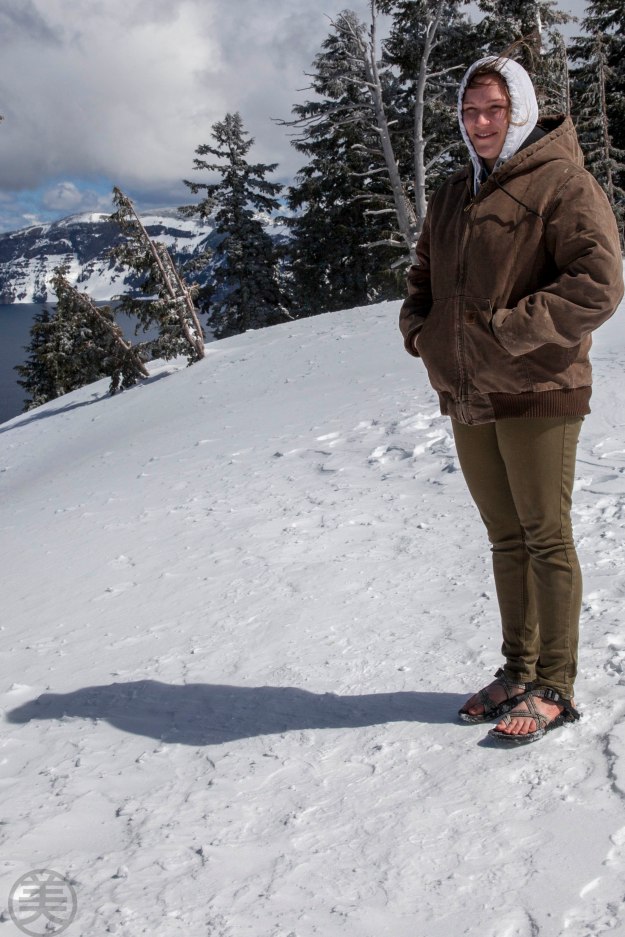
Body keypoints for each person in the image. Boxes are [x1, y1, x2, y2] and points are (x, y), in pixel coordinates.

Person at [399, 55, 624, 745]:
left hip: (539, 387)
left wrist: (509, 329)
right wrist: (421, 331)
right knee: (505, 537)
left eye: (493, 109)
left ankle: (554, 683)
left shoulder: (561, 182)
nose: (481, 123)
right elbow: (423, 277)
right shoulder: (450, 194)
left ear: (520, 109)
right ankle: (517, 668)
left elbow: (598, 281)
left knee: (543, 535)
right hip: (469, 390)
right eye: (469, 112)